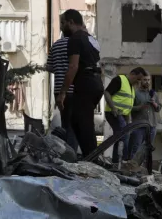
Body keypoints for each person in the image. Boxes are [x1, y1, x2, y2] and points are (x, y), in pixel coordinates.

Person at [56, 9, 103, 156]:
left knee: (81, 122)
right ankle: (92, 155)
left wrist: (63, 92)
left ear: (71, 22)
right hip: (96, 82)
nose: (61, 27)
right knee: (81, 120)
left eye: (63, 23)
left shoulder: (75, 39)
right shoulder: (90, 39)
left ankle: (92, 157)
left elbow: (73, 66)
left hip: (85, 82)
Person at [103, 67, 146, 163]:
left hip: (122, 115)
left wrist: (128, 120)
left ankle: (116, 161)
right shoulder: (120, 80)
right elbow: (107, 92)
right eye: (138, 79)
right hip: (113, 113)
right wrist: (113, 108)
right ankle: (124, 160)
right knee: (124, 135)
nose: (138, 82)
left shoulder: (131, 87)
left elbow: (127, 106)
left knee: (119, 136)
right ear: (132, 74)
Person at [46, 22, 77, 150]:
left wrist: (60, 69)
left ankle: (65, 152)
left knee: (65, 123)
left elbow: (49, 67)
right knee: (74, 125)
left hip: (58, 89)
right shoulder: (76, 44)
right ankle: (72, 154)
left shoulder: (55, 45)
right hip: (73, 89)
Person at [128, 71, 160, 170]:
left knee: (147, 148)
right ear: (140, 81)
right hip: (139, 125)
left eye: (148, 80)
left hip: (152, 125)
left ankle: (145, 169)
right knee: (136, 147)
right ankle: (133, 168)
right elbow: (130, 108)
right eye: (145, 80)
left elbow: (158, 108)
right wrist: (141, 107)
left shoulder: (154, 94)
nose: (147, 82)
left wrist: (154, 103)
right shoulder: (135, 93)